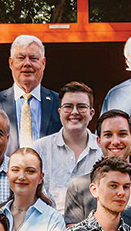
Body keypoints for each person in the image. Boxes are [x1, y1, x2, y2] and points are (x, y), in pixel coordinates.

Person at [30, 81, 101, 213]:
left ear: (91, 113)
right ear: (60, 112)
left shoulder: (102, 149)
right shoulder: (39, 149)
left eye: (81, 107)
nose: (74, 112)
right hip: (49, 228)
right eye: (68, 107)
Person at [0, 35, 61, 153]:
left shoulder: (60, 103)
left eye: (33, 58)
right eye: (21, 58)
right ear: (11, 63)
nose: (27, 63)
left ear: (43, 63)